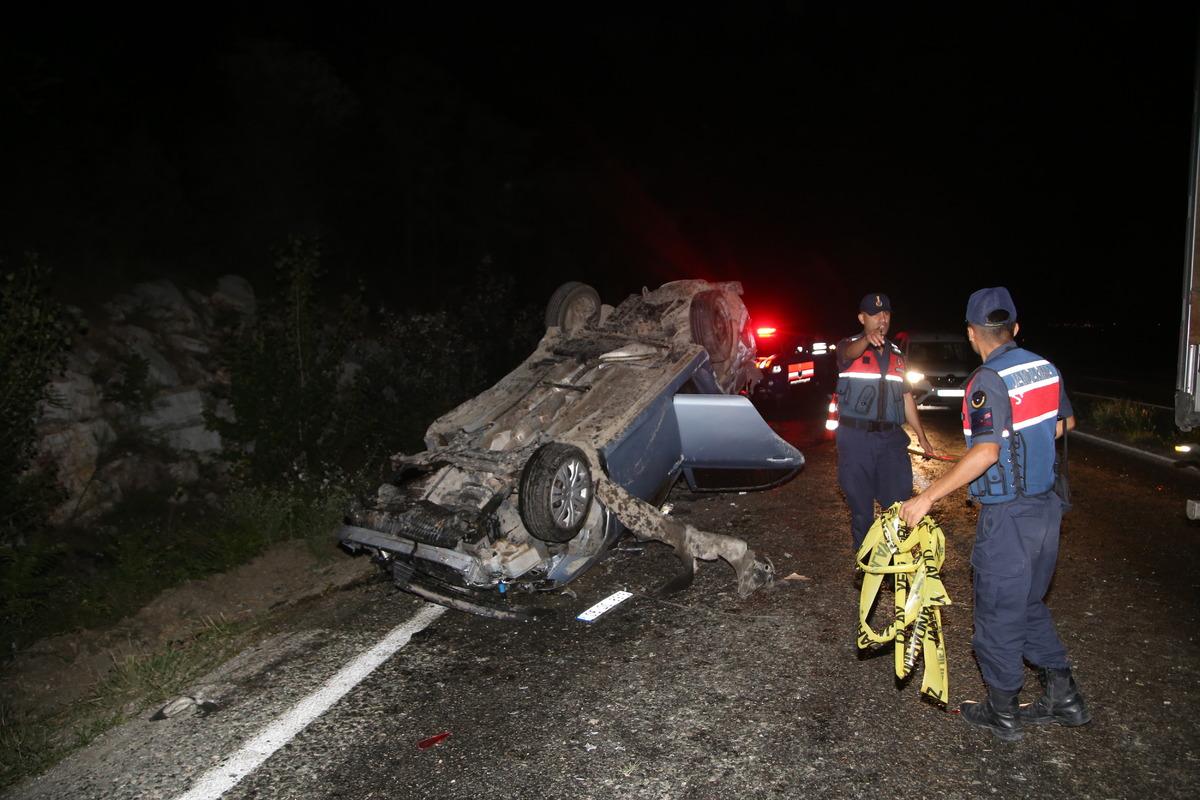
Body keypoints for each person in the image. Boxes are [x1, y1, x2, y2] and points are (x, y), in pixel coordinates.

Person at [899, 286, 1090, 742]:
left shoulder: (986, 381)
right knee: (1026, 606)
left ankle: (1003, 712)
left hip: (1009, 518)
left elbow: (985, 452)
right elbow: (1065, 423)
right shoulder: (1044, 367)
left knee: (997, 615)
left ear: (970, 333)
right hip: (1047, 511)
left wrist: (927, 498)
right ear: (1015, 328)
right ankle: (1065, 698)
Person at [835, 292, 937, 553]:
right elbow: (848, 352)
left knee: (898, 506)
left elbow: (906, 398)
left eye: (886, 313)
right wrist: (866, 341)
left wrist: (922, 437)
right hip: (856, 440)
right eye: (875, 314)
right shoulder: (849, 347)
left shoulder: (897, 355)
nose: (882, 318)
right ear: (862, 318)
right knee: (861, 511)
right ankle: (866, 567)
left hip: (891, 441)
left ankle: (894, 567)